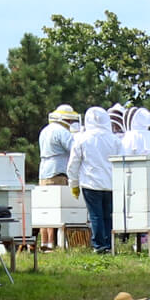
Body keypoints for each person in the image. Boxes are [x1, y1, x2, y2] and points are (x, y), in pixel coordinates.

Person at [65, 106, 120, 253]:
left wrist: (73, 183)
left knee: (95, 215)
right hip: (111, 184)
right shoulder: (115, 140)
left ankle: (99, 245)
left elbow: (73, 164)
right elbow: (121, 162)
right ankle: (109, 245)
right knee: (107, 216)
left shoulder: (82, 139)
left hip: (90, 183)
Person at [37, 104, 78, 184]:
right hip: (58, 174)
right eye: (70, 120)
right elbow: (75, 150)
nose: (71, 122)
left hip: (44, 173)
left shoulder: (45, 130)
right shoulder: (62, 131)